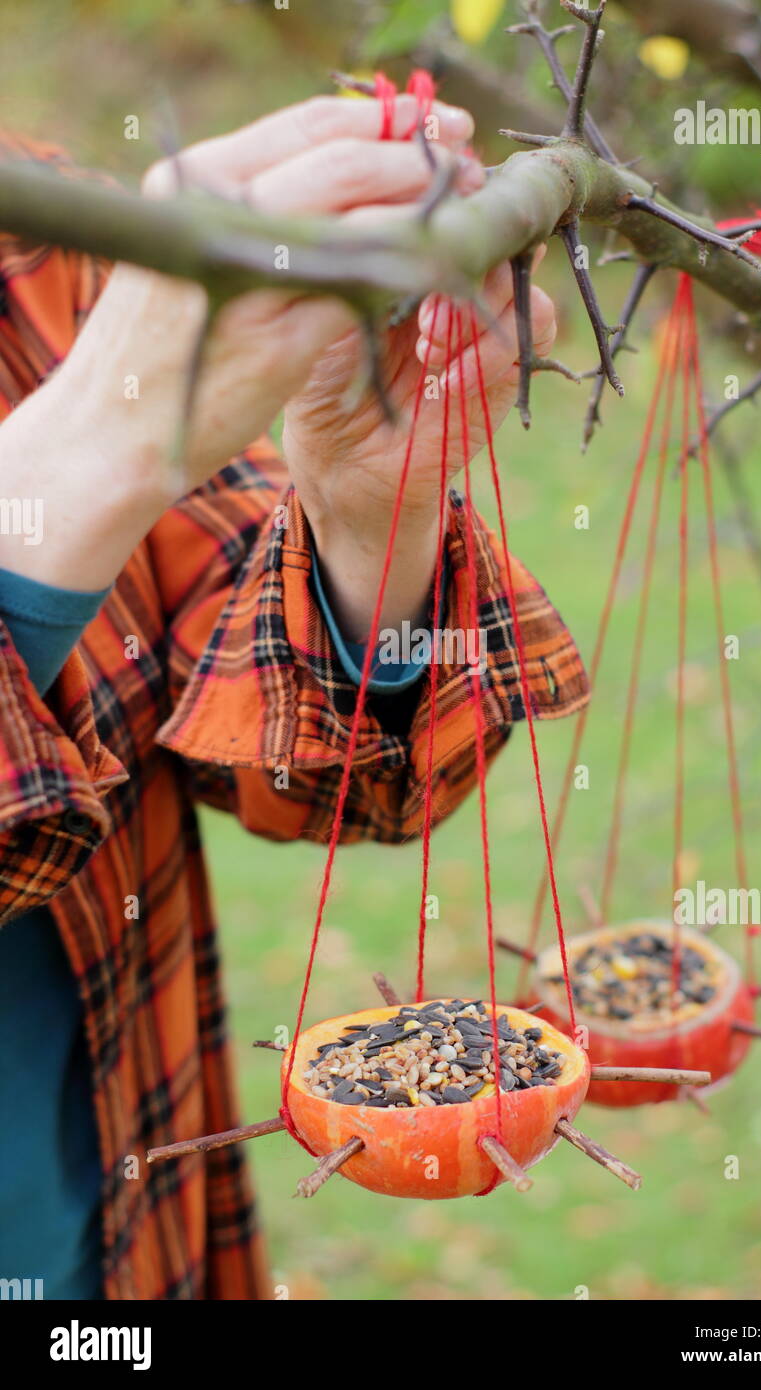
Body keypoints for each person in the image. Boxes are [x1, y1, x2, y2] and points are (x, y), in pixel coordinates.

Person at [0, 96, 587, 1300]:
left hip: (110, 1250)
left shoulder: (37, 239)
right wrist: (83, 455)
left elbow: (292, 755)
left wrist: (368, 512)